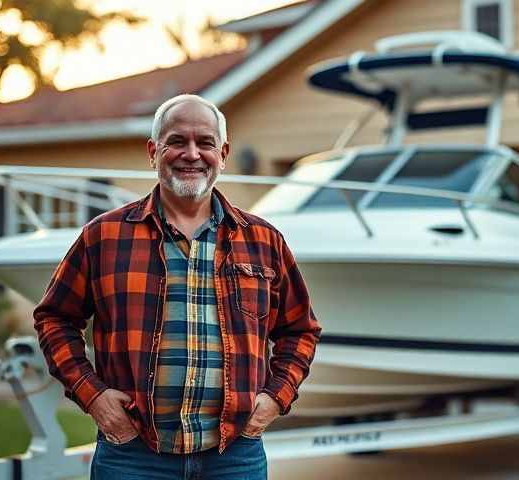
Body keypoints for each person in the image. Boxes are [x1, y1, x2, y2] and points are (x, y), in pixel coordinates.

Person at [33, 93, 321, 479]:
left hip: (235, 455)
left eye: (205, 143)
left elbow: (300, 330)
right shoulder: (103, 236)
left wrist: (274, 398)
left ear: (223, 153)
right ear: (153, 151)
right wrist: (94, 396)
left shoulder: (264, 241)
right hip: (132, 455)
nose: (191, 154)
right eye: (176, 142)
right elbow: (54, 319)